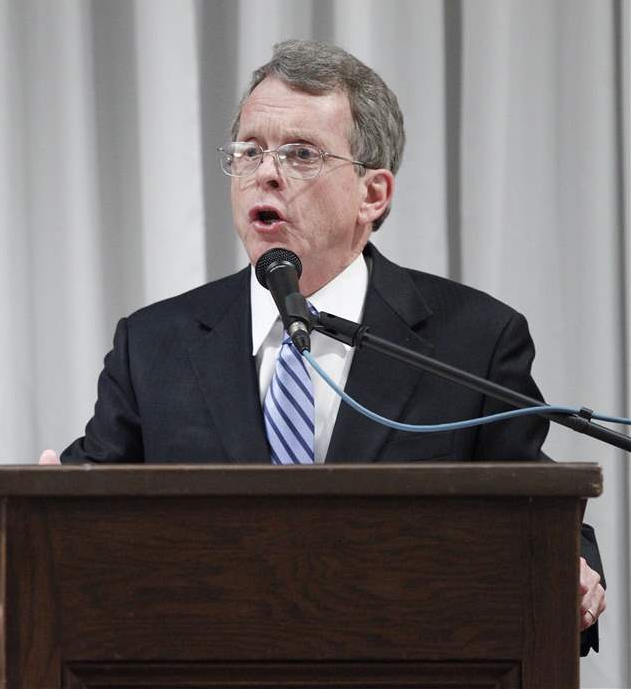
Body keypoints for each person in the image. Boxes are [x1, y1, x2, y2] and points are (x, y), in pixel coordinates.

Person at [43, 39, 606, 654]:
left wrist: (572, 566)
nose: (266, 171)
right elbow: (90, 495)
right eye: (250, 150)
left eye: (301, 154)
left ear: (374, 194)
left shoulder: (471, 340)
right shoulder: (154, 344)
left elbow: (537, 505)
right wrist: (46, 509)